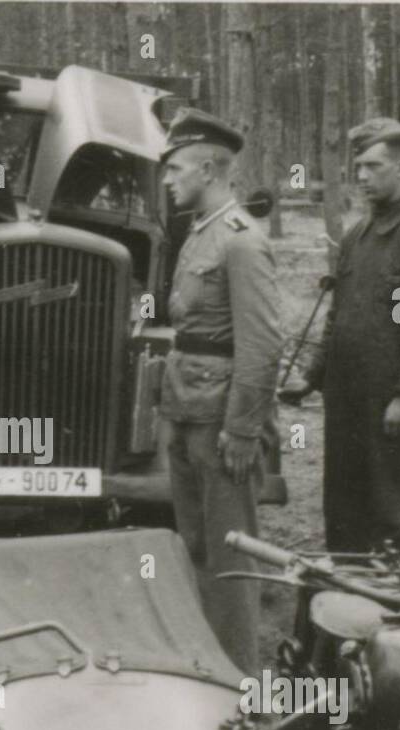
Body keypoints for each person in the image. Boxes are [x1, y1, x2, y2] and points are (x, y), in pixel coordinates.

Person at [280, 118, 400, 576]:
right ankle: (347, 609)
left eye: (372, 166)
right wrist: (312, 377)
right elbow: (338, 317)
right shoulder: (355, 237)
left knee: (397, 508)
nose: (361, 176)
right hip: (346, 401)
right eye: (358, 166)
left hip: (390, 407)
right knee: (344, 506)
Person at [158, 107, 282, 674]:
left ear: (209, 169)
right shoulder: (198, 233)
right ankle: (203, 668)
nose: (167, 179)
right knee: (195, 547)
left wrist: (243, 428)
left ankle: (238, 683)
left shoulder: (241, 242)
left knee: (231, 556)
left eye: (176, 168)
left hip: (220, 421)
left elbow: (261, 345)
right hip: (187, 409)